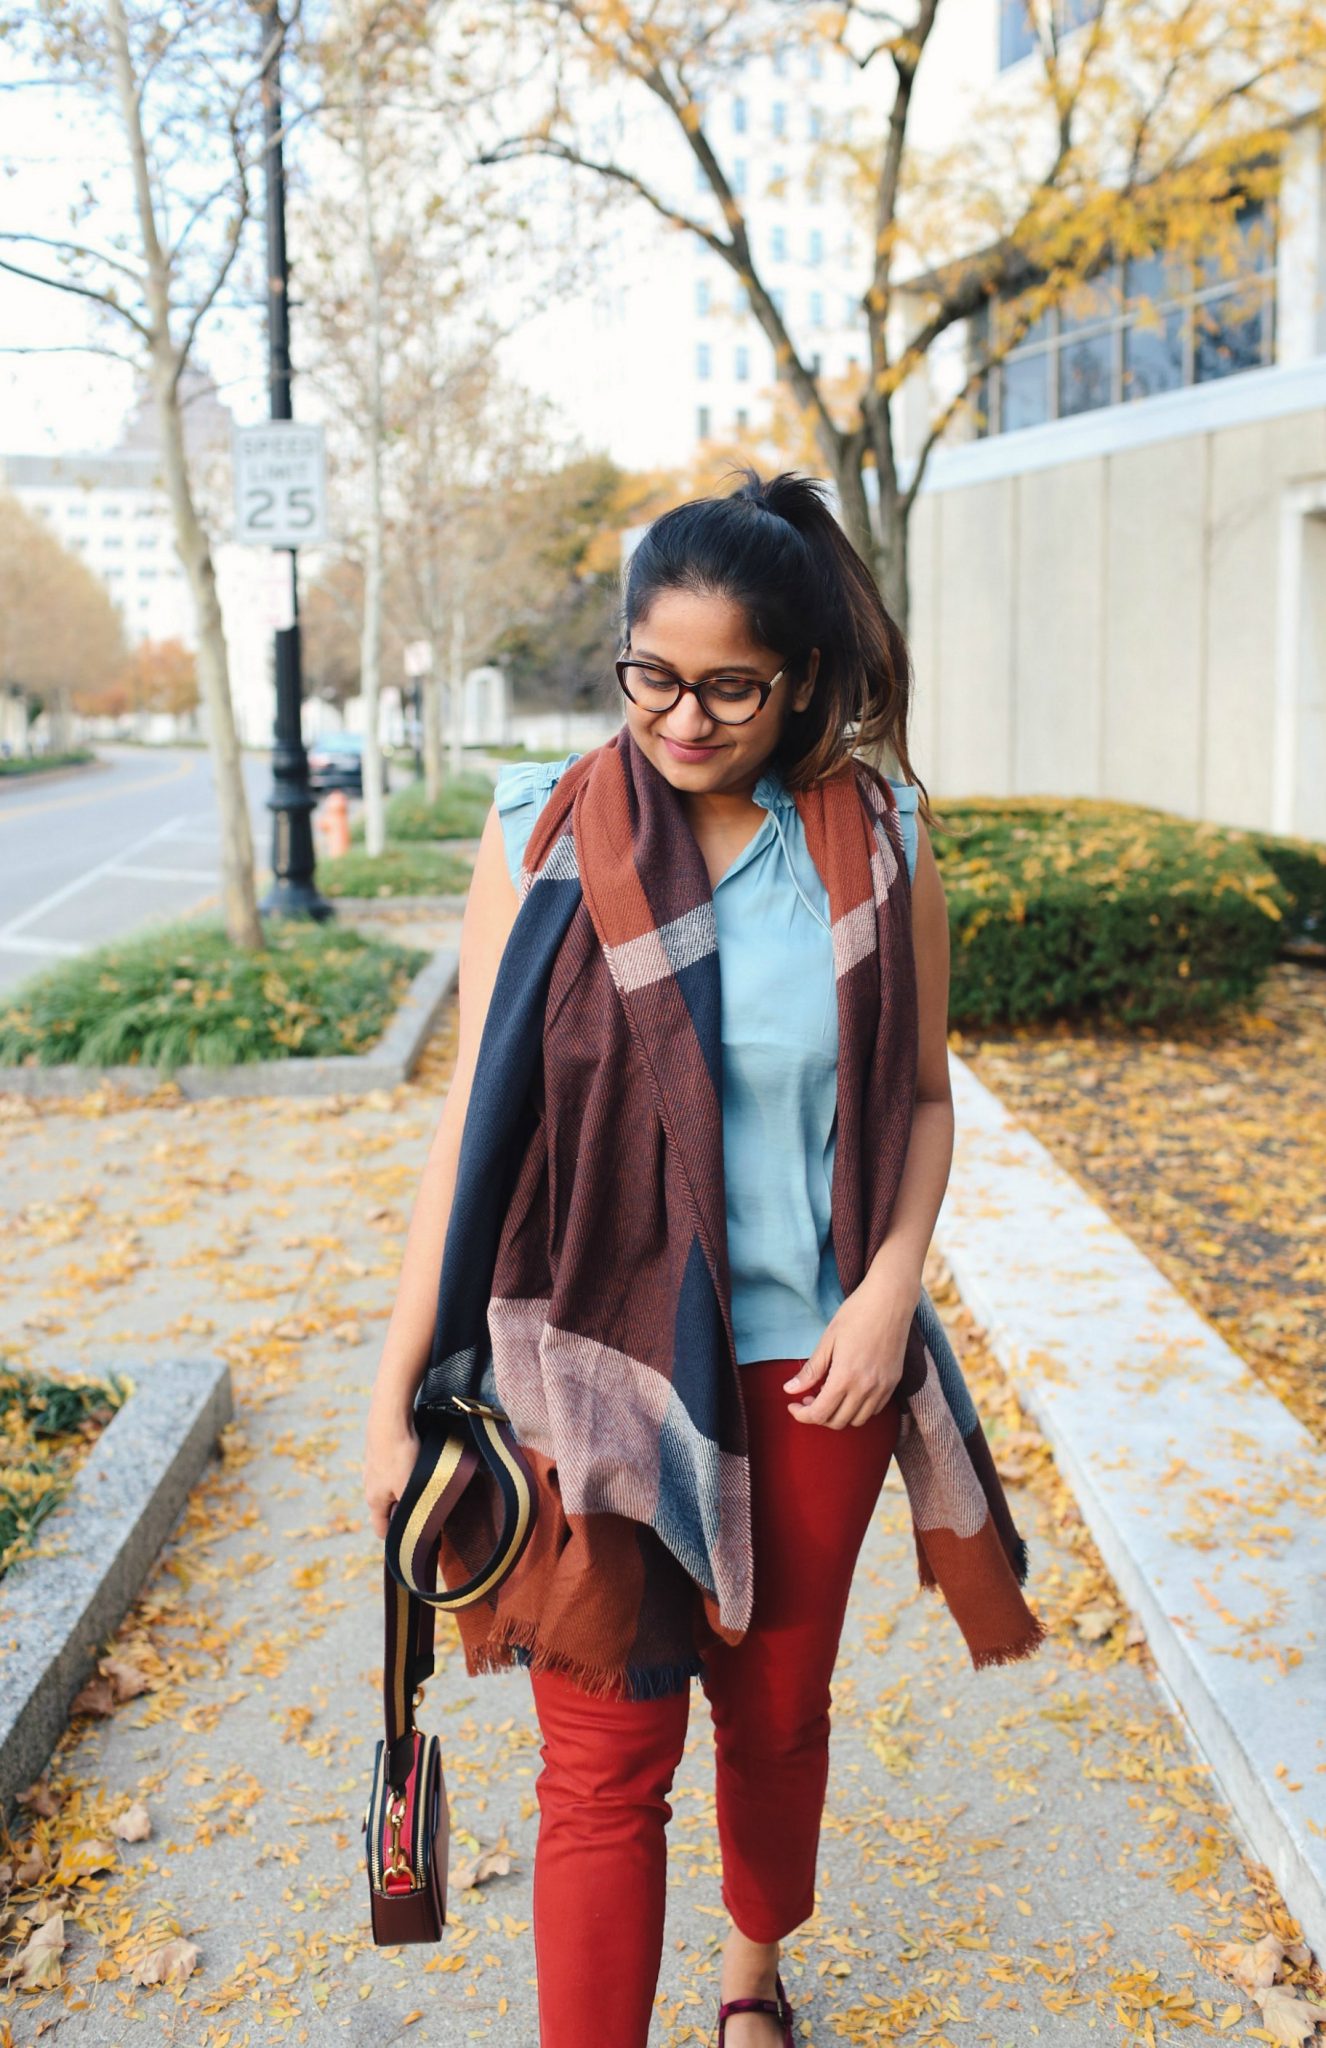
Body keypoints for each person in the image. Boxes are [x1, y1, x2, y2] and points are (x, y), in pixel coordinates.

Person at [364, 467, 961, 2047]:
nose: (679, 719)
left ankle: (751, 1971)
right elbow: (468, 1131)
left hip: (810, 1368)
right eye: (650, 673)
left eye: (726, 688)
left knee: (772, 1728)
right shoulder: (542, 828)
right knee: (601, 1766)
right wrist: (394, 1388)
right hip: (585, 1370)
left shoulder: (876, 838)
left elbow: (914, 1101)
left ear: (802, 681)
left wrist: (891, 1285)